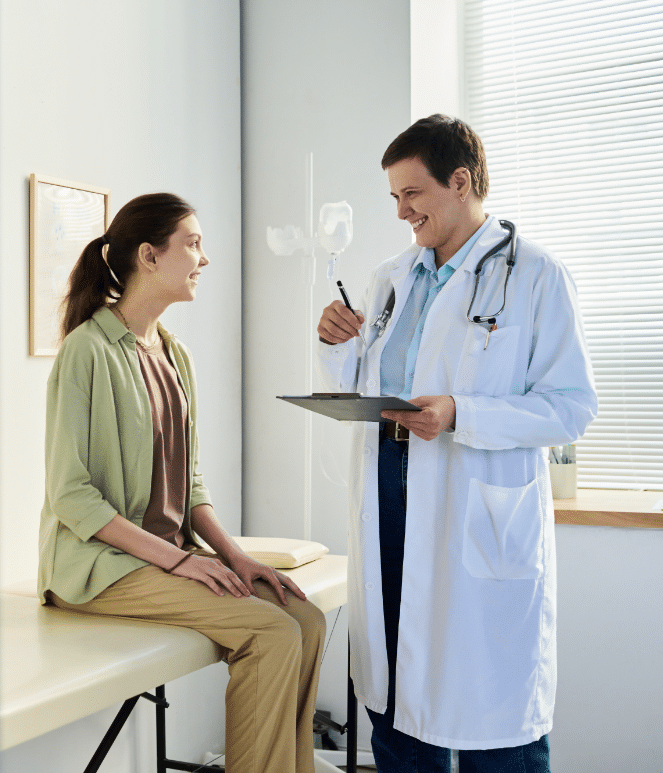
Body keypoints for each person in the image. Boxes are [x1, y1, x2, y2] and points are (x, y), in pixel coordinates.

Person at [316, 115, 598, 773]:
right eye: (393, 197)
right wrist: (339, 345)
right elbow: (370, 382)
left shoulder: (535, 275)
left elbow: (571, 408)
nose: (400, 212)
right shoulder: (392, 278)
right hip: (390, 513)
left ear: (461, 181)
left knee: (494, 732)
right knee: (398, 713)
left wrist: (461, 415)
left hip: (476, 527)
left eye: (411, 194)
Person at [38, 192, 326, 773]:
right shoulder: (86, 351)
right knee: (270, 631)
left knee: (307, 619)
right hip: (97, 566)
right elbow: (71, 494)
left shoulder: (174, 354)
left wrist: (235, 558)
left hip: (162, 558)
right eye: (192, 243)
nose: (205, 258)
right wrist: (175, 563)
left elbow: (190, 485)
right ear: (149, 255)